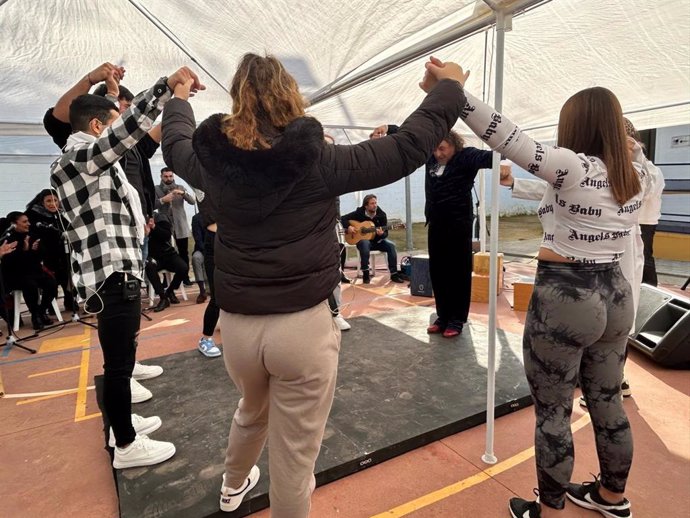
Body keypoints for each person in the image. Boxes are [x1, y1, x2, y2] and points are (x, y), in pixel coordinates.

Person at [162, 52, 466, 516]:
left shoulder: (213, 165)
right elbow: (407, 148)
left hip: (239, 329)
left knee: (250, 412)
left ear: (238, 97)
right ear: (290, 95)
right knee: (293, 459)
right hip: (302, 328)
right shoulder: (320, 161)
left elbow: (175, 142)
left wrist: (178, 97)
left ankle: (231, 487)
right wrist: (449, 89)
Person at [429, 56, 642, 517]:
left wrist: (454, 90)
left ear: (577, 125)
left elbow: (504, 134)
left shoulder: (574, 165)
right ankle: (612, 497)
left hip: (568, 296)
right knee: (607, 401)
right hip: (616, 293)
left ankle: (547, 510)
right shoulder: (638, 173)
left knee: (553, 411)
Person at [50, 65, 203, 469]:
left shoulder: (86, 160)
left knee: (123, 356)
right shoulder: (79, 157)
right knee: (118, 367)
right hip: (112, 274)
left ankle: (122, 424)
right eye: (113, 122)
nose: (120, 131)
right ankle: (126, 445)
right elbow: (127, 132)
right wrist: (166, 90)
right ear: (97, 125)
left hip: (117, 271)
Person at [43, 61, 163, 382]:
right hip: (106, 253)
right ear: (98, 123)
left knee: (126, 326)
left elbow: (139, 135)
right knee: (117, 331)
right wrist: (97, 81)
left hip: (128, 234)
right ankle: (122, 394)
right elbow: (62, 117)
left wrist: (146, 214)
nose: (124, 114)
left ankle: (127, 370)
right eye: (119, 109)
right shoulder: (83, 149)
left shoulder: (123, 143)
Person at [372, 125, 509, 337]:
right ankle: (442, 316)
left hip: (458, 224)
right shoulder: (432, 158)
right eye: (435, 149)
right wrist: (389, 129)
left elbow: (495, 156)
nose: (439, 153)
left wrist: (503, 164)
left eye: (443, 149)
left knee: (458, 272)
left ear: (454, 144)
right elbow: (412, 138)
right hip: (436, 222)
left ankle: (457, 319)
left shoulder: (466, 156)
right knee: (438, 271)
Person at [624, 118, 665, 287]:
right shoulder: (644, 169)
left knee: (644, 257)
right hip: (637, 220)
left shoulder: (650, 169)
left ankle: (649, 290)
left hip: (644, 221)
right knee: (637, 258)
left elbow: (643, 193)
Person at [0, 212, 57, 330]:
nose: (28, 224)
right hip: (15, 275)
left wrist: (35, 250)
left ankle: (40, 312)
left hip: (34, 271)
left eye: (28, 221)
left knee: (51, 283)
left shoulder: (32, 235)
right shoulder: (8, 239)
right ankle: (35, 316)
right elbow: (11, 263)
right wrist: (25, 250)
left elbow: (40, 257)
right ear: (14, 224)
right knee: (30, 285)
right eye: (25, 222)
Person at [25, 189, 75, 312]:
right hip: (43, 254)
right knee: (51, 278)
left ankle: (70, 300)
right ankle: (50, 305)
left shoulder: (61, 214)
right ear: (42, 202)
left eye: (55, 200)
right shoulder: (32, 215)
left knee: (68, 272)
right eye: (48, 201)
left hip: (62, 252)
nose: (52, 204)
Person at [341, 194, 405, 284]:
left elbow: (386, 234)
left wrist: (382, 234)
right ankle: (366, 273)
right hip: (363, 242)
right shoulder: (359, 212)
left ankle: (394, 274)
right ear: (366, 206)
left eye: (375, 203)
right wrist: (349, 227)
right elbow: (343, 218)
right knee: (364, 243)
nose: (375, 205)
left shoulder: (381, 215)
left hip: (378, 241)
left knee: (391, 246)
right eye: (372, 203)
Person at [155, 167, 196, 285]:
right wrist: (163, 200)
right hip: (164, 225)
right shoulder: (156, 189)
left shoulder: (181, 188)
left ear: (173, 176)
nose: (168, 178)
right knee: (164, 252)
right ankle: (165, 280)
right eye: (166, 176)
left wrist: (182, 193)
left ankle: (185, 277)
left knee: (183, 252)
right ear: (161, 177)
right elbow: (152, 204)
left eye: (170, 176)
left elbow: (193, 201)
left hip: (180, 224)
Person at [145, 212, 189, 313]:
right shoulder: (138, 220)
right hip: (153, 257)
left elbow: (166, 235)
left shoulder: (160, 217)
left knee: (183, 268)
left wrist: (154, 226)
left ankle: (169, 291)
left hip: (168, 254)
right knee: (149, 266)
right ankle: (163, 298)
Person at [191, 211, 208, 303]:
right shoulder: (196, 218)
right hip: (202, 249)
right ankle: (202, 291)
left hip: (218, 249)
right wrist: (206, 252)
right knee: (196, 258)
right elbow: (198, 239)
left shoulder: (219, 215)